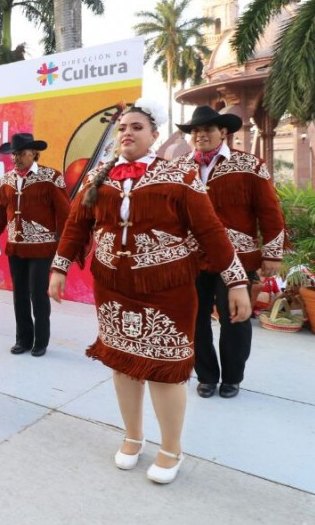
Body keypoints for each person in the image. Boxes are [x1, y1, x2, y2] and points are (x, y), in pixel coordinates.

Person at [48, 99, 252, 485]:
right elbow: (77, 226)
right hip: (112, 286)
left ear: (155, 135)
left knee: (165, 371)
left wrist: (236, 282)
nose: (127, 132)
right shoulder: (98, 178)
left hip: (167, 288)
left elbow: (211, 231)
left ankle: (171, 447)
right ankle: (132, 436)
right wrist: (59, 267)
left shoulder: (180, 175)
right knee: (123, 365)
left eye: (137, 127)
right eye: (123, 127)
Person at [179, 105, 286, 399]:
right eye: (196, 131)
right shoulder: (180, 168)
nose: (201, 135)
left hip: (238, 258)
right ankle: (206, 375)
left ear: (223, 132)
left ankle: (233, 377)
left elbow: (270, 212)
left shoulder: (250, 165)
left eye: (208, 129)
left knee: (235, 317)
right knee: (193, 318)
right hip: (192, 258)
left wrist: (272, 253)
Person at [0, 133, 70, 357]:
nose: (16, 158)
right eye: (13, 154)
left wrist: (64, 247)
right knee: (19, 294)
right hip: (16, 247)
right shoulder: (6, 181)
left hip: (43, 248)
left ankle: (41, 341)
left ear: (33, 153)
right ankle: (23, 338)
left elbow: (64, 215)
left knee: (37, 294)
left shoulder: (51, 177)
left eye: (21, 153)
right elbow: (0, 213)